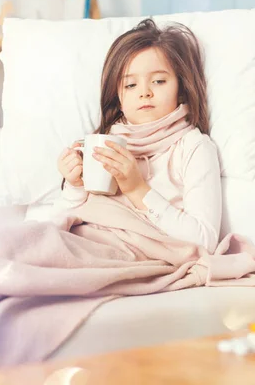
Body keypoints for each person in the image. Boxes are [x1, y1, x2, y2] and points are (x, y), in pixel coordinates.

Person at [55, 18, 222, 252]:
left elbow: (204, 240)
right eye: (131, 85)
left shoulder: (193, 147)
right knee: (21, 242)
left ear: (182, 89)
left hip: (126, 252)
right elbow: (63, 220)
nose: (144, 92)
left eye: (159, 81)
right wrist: (75, 185)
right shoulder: (105, 141)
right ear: (118, 98)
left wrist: (136, 189)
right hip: (83, 239)